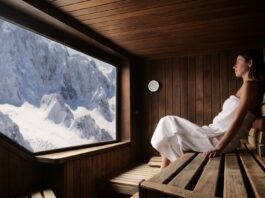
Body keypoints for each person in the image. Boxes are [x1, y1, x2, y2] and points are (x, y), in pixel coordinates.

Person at [151, 49, 265, 169]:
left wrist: (218, 148)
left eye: (238, 62)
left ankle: (165, 173)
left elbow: (238, 120)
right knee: (169, 134)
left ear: (250, 63)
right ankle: (163, 173)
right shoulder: (248, 86)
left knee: (167, 121)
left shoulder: (250, 85)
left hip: (218, 138)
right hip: (213, 133)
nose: (234, 66)